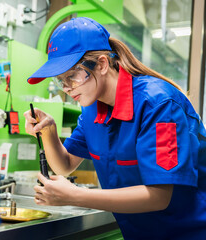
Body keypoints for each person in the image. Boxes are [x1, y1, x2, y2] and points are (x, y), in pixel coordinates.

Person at [24, 17, 206, 239]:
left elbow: (159, 196)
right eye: (60, 81)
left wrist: (75, 195)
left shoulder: (159, 104)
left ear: (101, 64)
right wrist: (49, 131)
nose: (67, 89)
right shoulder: (92, 108)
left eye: (72, 76)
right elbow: (64, 165)